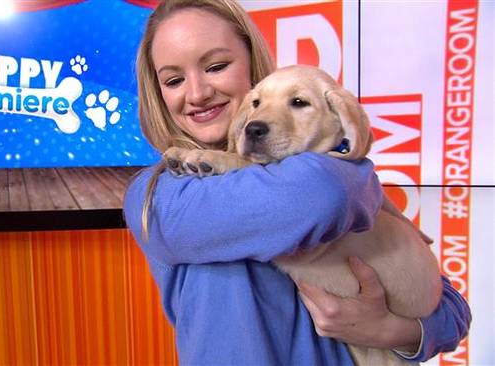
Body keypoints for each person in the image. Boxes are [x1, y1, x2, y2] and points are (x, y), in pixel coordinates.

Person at [123, 0, 471, 364]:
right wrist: (361, 180)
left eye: (216, 66)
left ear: (253, 66)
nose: (196, 94)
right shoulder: (159, 197)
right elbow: (323, 194)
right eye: (174, 80)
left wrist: (387, 329)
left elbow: (452, 312)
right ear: (158, 93)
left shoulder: (334, 174)